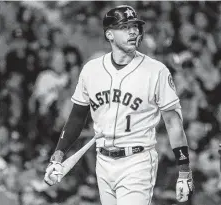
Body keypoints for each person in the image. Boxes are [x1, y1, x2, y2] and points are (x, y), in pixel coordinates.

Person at [44, 5, 194, 205]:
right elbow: (77, 117)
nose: (133, 31)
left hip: (137, 160)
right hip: (103, 161)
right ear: (109, 34)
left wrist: (184, 170)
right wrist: (58, 154)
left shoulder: (156, 71)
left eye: (135, 26)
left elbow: (173, 123)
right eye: (125, 27)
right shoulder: (91, 70)